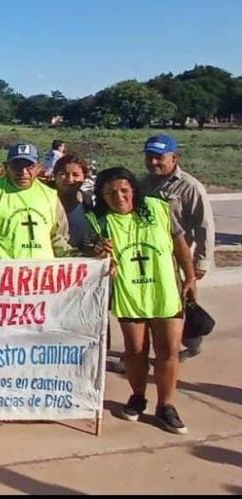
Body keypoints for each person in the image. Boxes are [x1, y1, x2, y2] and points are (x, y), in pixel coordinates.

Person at [84, 167, 196, 434]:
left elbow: (179, 243)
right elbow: (89, 252)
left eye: (124, 190)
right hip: (130, 293)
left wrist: (190, 276)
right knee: (135, 350)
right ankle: (137, 396)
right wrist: (99, 252)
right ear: (102, 196)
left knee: (168, 350)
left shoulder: (159, 209)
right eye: (110, 193)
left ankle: (166, 406)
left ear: (134, 189)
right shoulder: (99, 221)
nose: (119, 196)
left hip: (164, 290)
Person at [140, 135, 214, 361]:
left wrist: (200, 263)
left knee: (180, 307)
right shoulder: (143, 184)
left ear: (174, 158)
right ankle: (144, 353)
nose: (154, 163)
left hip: (179, 260)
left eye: (159, 158)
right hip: (149, 258)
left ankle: (191, 345)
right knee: (150, 306)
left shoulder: (190, 187)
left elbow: (205, 226)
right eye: (149, 157)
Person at [0, 142, 73, 260]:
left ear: (38, 168)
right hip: (5, 274)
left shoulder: (50, 195)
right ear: (6, 167)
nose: (23, 172)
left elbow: (58, 239)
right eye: (16, 166)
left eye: (29, 166)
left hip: (42, 274)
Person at [52, 154, 92, 251]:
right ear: (54, 175)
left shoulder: (87, 202)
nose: (70, 179)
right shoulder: (46, 201)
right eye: (63, 174)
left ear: (84, 177)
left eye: (75, 175)